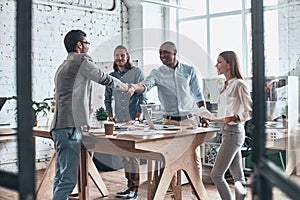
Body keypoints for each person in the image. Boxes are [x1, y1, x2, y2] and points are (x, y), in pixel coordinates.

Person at [50, 29, 129, 200]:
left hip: (60, 126)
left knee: (61, 177)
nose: (88, 47)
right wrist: (127, 87)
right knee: (68, 180)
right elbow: (104, 78)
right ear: (79, 45)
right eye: (86, 43)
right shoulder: (81, 61)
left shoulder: (63, 66)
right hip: (69, 127)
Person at [127, 41, 208, 195]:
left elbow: (198, 95)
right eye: (160, 53)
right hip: (169, 122)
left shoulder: (189, 71)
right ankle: (171, 192)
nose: (162, 56)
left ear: (174, 52)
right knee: (168, 158)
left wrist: (204, 116)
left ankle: (197, 193)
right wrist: (134, 87)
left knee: (193, 159)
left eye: (166, 52)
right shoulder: (157, 73)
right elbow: (145, 85)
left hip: (188, 121)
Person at [104, 45, 147, 200]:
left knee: (132, 155)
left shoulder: (137, 72)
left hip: (132, 119)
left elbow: (143, 95)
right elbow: (107, 97)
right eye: (116, 55)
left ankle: (135, 189)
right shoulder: (111, 76)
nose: (119, 58)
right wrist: (110, 114)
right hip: (119, 119)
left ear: (127, 56)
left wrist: (139, 115)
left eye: (122, 55)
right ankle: (129, 186)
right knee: (124, 156)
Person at [210, 51, 252, 200]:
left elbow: (250, 111)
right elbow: (226, 112)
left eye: (220, 61)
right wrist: (214, 118)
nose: (216, 65)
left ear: (229, 64)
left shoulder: (239, 84)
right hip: (227, 132)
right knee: (238, 176)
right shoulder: (225, 85)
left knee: (216, 175)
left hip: (234, 133)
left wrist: (235, 117)